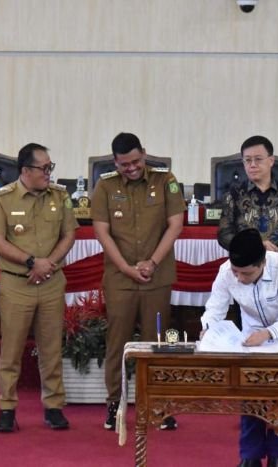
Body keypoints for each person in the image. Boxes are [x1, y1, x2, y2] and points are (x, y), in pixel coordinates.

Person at [90, 132, 186, 431]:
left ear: (143, 154)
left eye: (135, 161)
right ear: (114, 162)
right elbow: (102, 231)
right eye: (124, 164)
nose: (131, 168)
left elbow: (175, 225)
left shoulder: (165, 180)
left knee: (157, 342)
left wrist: (152, 262)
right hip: (120, 279)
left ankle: (158, 404)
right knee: (117, 343)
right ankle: (114, 404)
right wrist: (126, 268)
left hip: (156, 277)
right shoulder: (105, 186)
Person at [0, 143, 77, 432]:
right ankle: (7, 408)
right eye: (43, 168)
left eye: (50, 167)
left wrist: (48, 263)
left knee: (51, 349)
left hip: (51, 281)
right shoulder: (1, 199)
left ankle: (54, 407)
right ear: (25, 170)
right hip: (17, 283)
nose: (49, 173)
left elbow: (69, 235)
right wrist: (31, 262)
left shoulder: (60, 196)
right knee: (11, 351)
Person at [201, 228, 278, 467]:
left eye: (246, 273)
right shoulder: (226, 272)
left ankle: (276, 456)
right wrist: (207, 328)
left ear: (262, 263)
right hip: (252, 335)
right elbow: (215, 308)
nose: (239, 278)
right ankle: (250, 457)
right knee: (249, 392)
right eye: (236, 271)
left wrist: (268, 333)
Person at [217, 135, 278, 257]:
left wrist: (275, 253)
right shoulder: (233, 193)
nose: (252, 165)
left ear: (271, 161)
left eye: (258, 159)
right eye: (248, 160)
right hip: (245, 261)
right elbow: (224, 234)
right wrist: (252, 248)